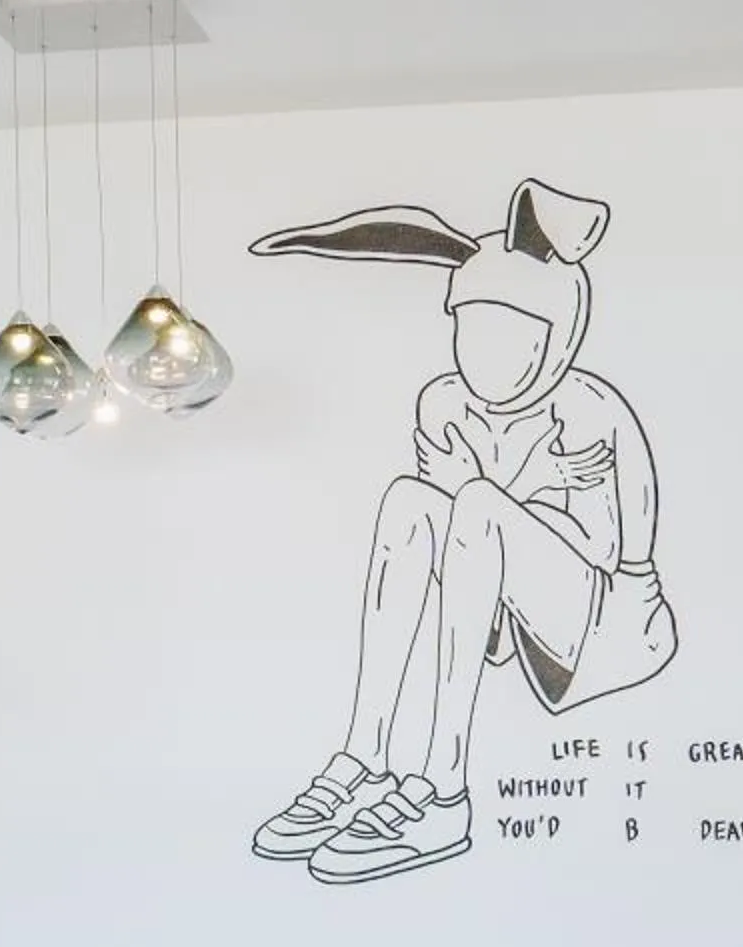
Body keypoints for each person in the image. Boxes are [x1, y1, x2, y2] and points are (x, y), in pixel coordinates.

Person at [250, 180, 676, 884]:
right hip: (506, 613)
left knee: (476, 504)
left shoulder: (588, 410)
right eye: (471, 327)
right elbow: (446, 541)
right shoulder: (445, 402)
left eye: (511, 332)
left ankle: (443, 790)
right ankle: (365, 757)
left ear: (556, 332)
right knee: (408, 501)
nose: (486, 353)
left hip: (610, 627)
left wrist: (515, 498)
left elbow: (616, 556)